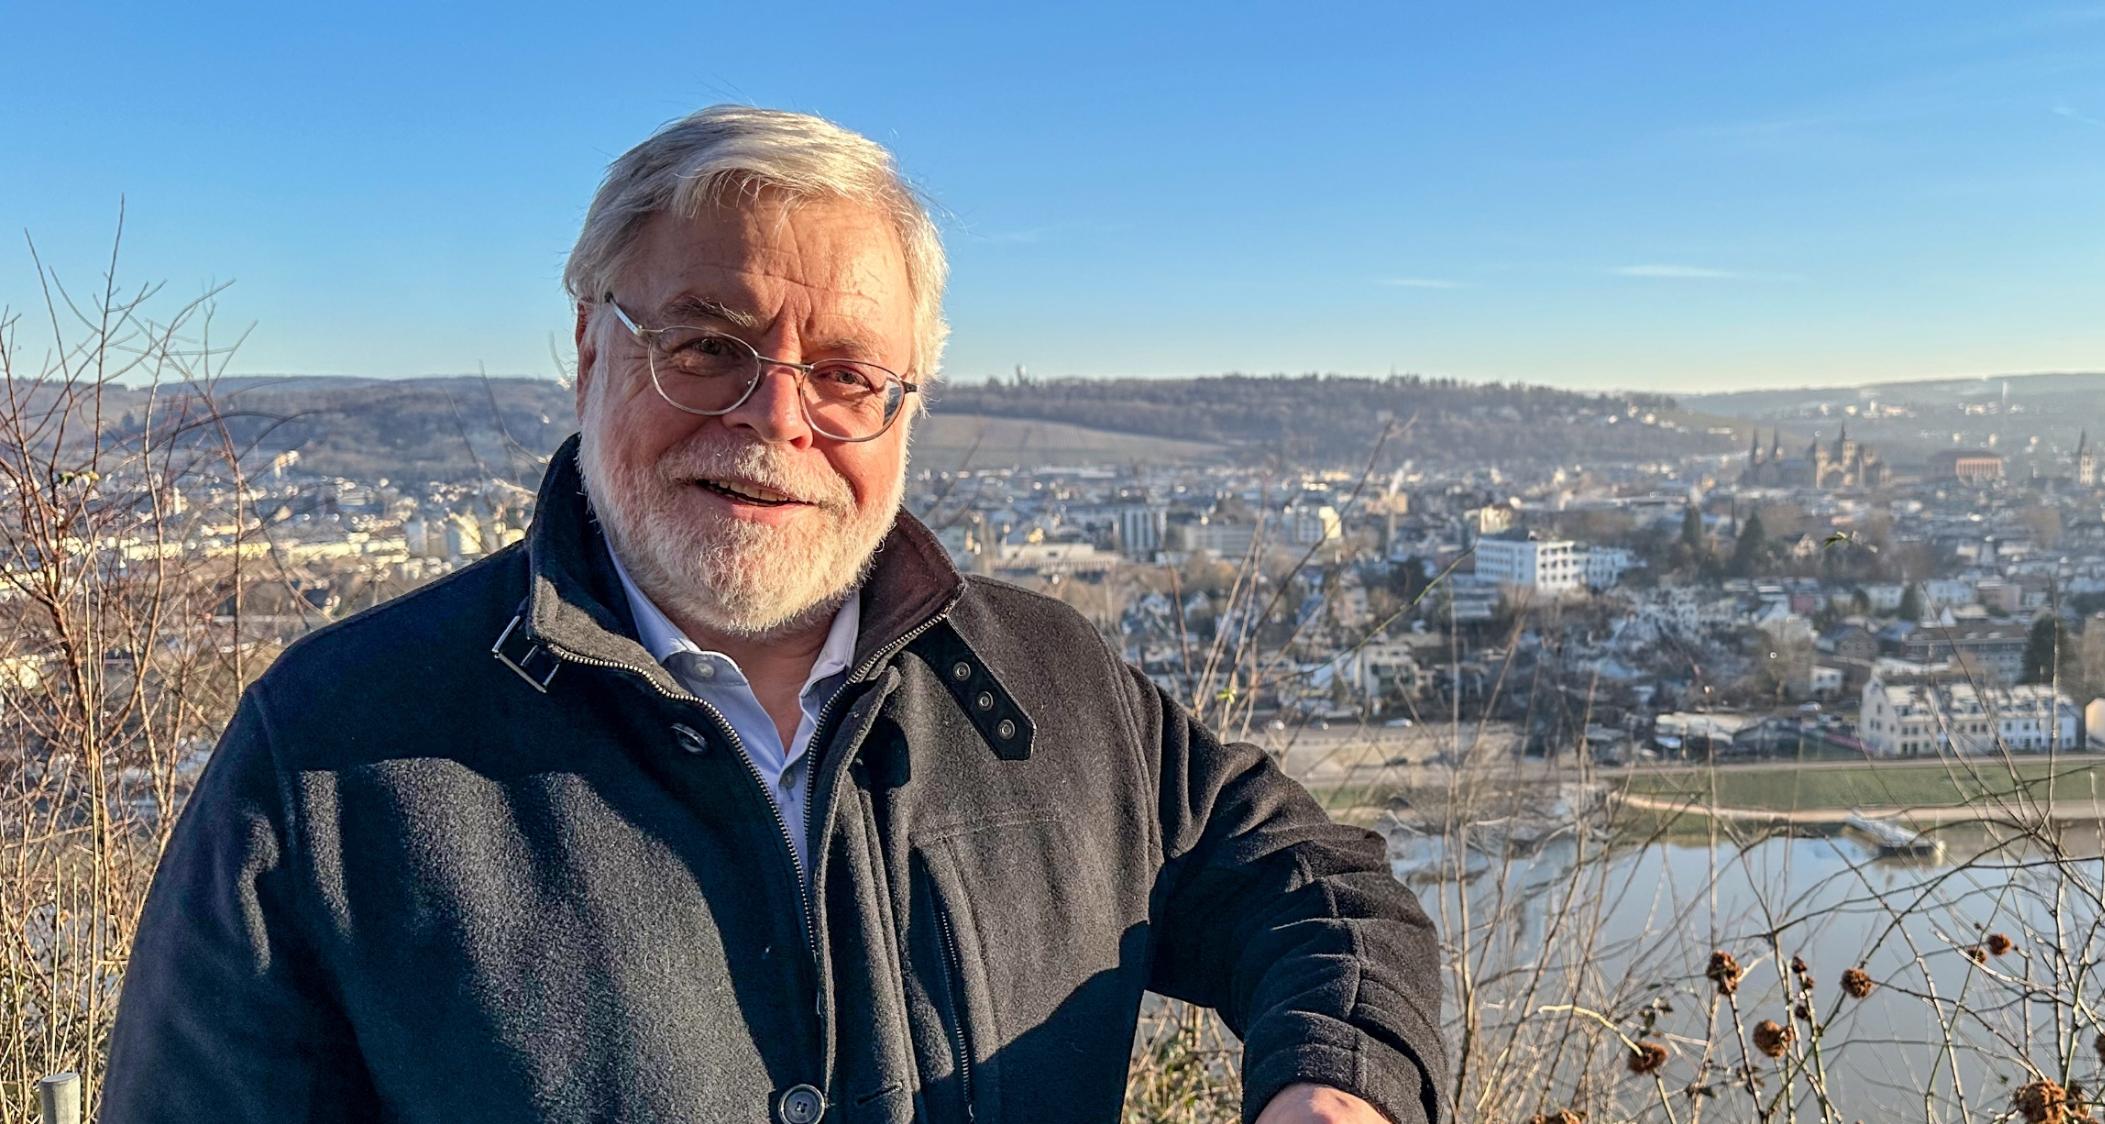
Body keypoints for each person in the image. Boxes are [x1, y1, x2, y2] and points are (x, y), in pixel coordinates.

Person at [100, 105, 1445, 1124]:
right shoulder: (332, 755)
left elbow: (1322, 891)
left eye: (849, 373)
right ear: (586, 349)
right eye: (706, 348)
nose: (775, 420)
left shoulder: (1050, 686)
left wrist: (1336, 1083)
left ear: (906, 401)